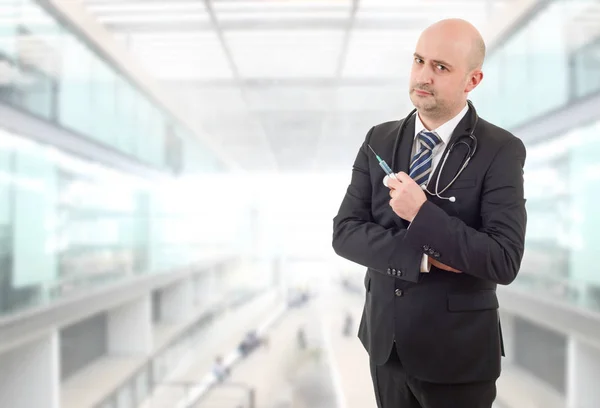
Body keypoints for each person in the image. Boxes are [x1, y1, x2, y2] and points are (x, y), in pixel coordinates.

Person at [332, 18, 526, 408]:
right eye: (419, 61)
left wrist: (422, 214)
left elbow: (503, 260)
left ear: (472, 81)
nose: (423, 75)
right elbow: (346, 233)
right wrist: (424, 257)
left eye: (441, 67)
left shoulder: (501, 150)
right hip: (386, 347)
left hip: (458, 356)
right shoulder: (379, 139)